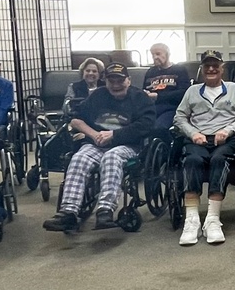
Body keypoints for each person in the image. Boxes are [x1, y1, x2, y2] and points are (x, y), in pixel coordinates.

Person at [43, 63, 156, 233]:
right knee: (79, 158)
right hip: (96, 142)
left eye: (120, 80)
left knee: (111, 157)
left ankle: (105, 209)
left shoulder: (140, 98)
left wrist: (114, 135)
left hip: (128, 145)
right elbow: (75, 120)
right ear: (106, 81)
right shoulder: (98, 95)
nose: (116, 84)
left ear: (129, 80)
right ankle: (68, 212)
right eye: (111, 80)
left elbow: (145, 125)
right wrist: (94, 134)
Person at [173, 50, 235, 246]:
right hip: (198, 139)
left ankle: (212, 219)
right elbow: (179, 117)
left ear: (222, 68)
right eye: (207, 65)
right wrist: (193, 133)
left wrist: (228, 130)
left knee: (219, 160)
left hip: (226, 140)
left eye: (215, 65)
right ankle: (191, 220)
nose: (211, 69)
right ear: (201, 69)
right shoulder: (192, 91)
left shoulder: (234, 89)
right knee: (191, 160)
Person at [142, 43, 192, 129]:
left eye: (158, 54)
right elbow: (144, 89)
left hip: (172, 108)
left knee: (159, 127)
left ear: (167, 54)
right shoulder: (150, 72)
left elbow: (184, 92)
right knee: (141, 125)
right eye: (152, 55)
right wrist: (145, 93)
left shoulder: (179, 69)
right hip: (152, 108)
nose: (155, 57)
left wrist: (158, 96)